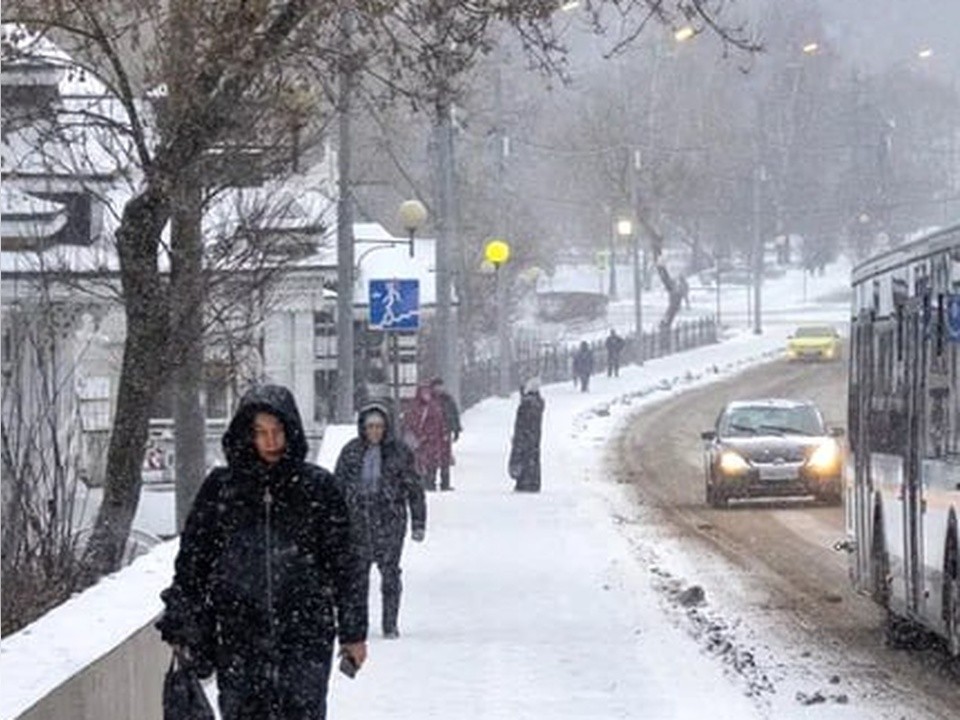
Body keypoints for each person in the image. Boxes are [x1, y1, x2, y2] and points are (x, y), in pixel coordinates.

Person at [156, 385, 368, 720]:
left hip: (306, 635)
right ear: (246, 435)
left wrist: (354, 632)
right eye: (260, 433)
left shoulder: (318, 488)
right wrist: (184, 616)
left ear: (291, 430)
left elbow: (346, 564)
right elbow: (193, 560)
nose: (270, 442)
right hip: (240, 636)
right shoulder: (222, 489)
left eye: (277, 431)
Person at [335, 400, 426, 639]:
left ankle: (390, 624)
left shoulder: (399, 452)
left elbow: (414, 489)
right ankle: (358, 624)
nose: (374, 431)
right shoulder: (351, 452)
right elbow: (337, 488)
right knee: (357, 577)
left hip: (390, 521)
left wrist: (419, 522)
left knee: (390, 574)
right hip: (358, 522)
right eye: (370, 426)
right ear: (363, 428)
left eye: (379, 426)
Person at [402, 383, 449, 491]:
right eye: (424, 392)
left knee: (433, 462)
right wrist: (419, 436)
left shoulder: (435, 407)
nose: (426, 395)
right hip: (421, 442)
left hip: (434, 441)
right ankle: (424, 482)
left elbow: (441, 423)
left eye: (427, 392)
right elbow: (409, 424)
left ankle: (431, 482)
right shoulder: (414, 407)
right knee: (421, 462)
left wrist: (443, 435)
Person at [509, 377, 545, 492]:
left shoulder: (526, 404)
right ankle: (533, 482)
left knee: (523, 457)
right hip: (534, 437)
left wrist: (517, 437)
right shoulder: (538, 403)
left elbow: (521, 423)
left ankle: (524, 482)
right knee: (533, 458)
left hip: (525, 436)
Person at [430, 377, 462, 491]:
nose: (439, 389)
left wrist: (456, 429)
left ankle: (445, 483)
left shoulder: (448, 400)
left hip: (445, 432)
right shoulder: (429, 400)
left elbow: (454, 414)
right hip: (432, 434)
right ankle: (430, 481)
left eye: (440, 386)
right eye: (436, 386)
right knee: (432, 458)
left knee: (445, 458)